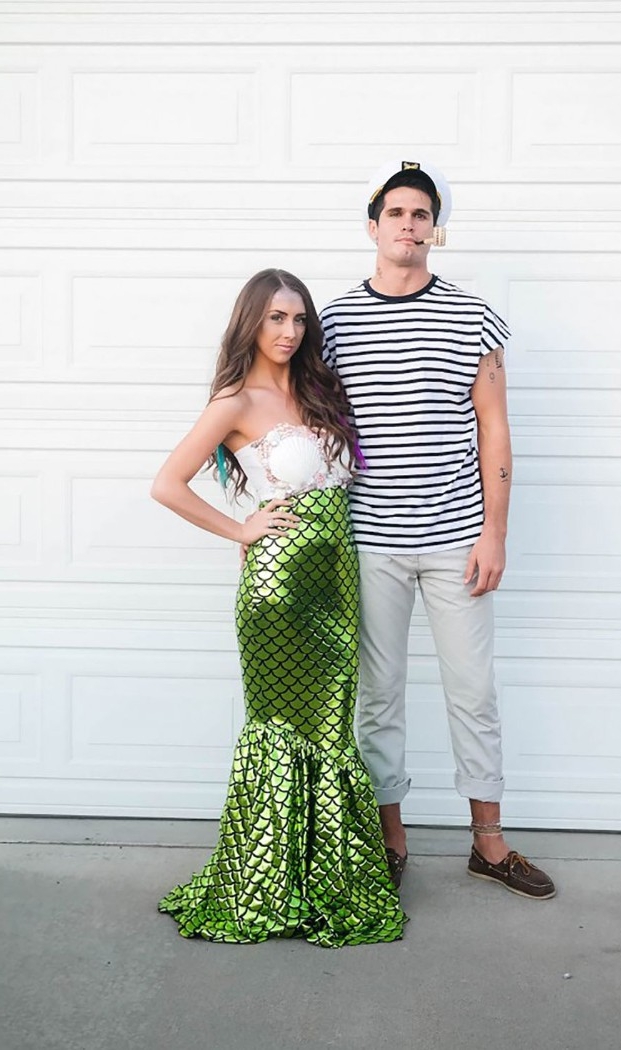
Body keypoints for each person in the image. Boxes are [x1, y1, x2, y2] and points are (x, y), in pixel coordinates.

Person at [320, 160, 556, 900]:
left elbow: (495, 431)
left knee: (471, 690)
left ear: (435, 230)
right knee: (379, 695)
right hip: (370, 540)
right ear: (373, 225)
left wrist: (496, 533)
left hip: (456, 537)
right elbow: (308, 422)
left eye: (422, 214)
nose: (409, 225)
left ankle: (489, 842)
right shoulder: (332, 321)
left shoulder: (472, 315)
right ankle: (392, 840)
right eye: (396, 213)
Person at [151, 268, 406, 946]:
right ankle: (263, 880)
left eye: (298, 319)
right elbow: (167, 484)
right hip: (280, 592)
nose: (289, 332)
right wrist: (241, 530)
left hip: (338, 583)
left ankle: (327, 878)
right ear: (252, 324)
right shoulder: (236, 400)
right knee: (284, 728)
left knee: (332, 728)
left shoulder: (321, 390)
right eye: (276, 319)